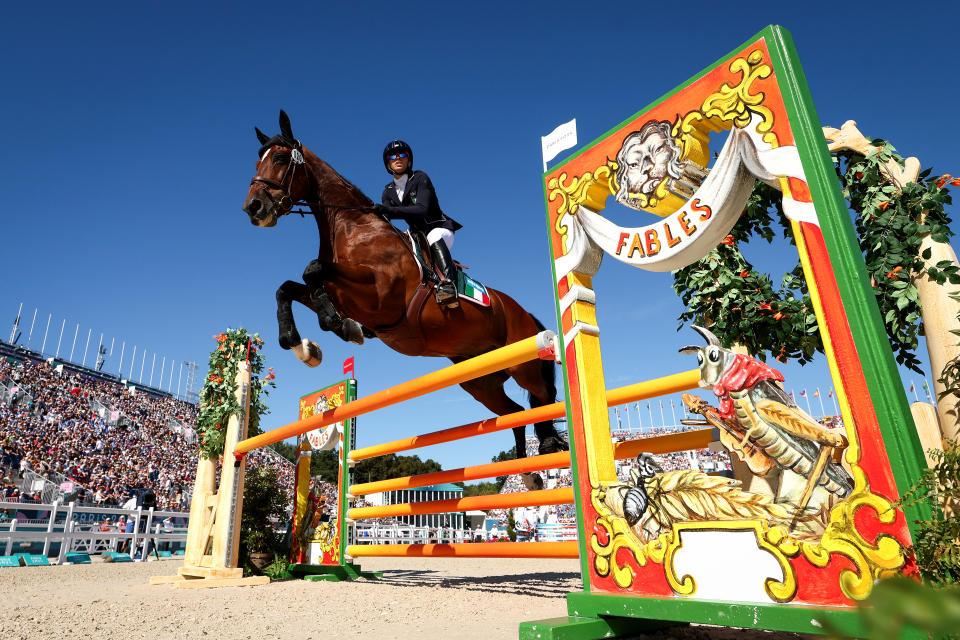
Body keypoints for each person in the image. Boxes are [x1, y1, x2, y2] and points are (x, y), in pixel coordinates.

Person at [375, 140, 463, 307]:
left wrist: (389, 211)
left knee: (433, 235)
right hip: (417, 236)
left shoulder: (420, 177)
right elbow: (386, 219)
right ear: (388, 163)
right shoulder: (388, 191)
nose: (398, 158)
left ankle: (448, 285)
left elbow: (422, 209)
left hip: (440, 229)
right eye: (393, 155)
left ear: (409, 160)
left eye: (403, 154)